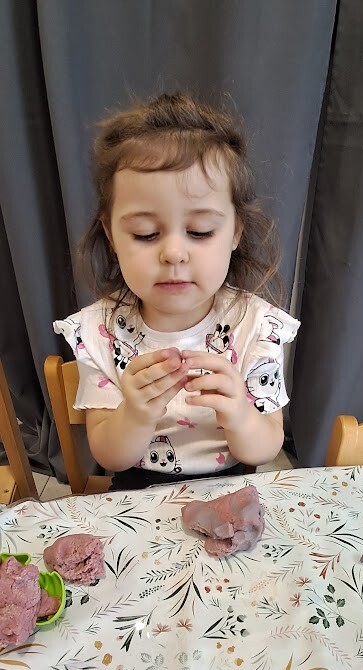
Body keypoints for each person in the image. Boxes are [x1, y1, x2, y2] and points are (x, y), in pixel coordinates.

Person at [54, 92, 299, 490]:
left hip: (230, 489)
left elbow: (265, 447)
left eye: (200, 231)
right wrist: (135, 414)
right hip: (137, 492)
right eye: (145, 233)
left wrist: (240, 414)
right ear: (111, 236)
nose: (173, 253)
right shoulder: (100, 332)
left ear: (235, 232)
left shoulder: (256, 327)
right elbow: (109, 456)